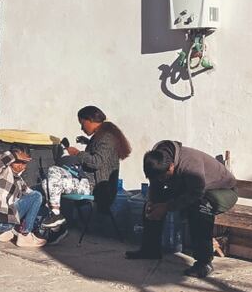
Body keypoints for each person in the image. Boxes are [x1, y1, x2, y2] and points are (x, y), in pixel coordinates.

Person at [127, 141, 238, 278]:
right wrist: (153, 203)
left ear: (172, 166)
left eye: (164, 177)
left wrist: (167, 206)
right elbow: (156, 187)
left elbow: (196, 193)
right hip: (188, 188)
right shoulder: (156, 160)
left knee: (200, 208)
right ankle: (150, 249)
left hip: (221, 191)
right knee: (151, 206)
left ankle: (204, 262)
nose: (161, 180)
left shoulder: (190, 164)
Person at [41, 105, 133, 230]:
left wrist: (77, 153)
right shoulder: (102, 135)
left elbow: (97, 162)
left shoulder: (107, 138)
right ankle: (56, 223)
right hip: (88, 182)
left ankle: (56, 216)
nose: (81, 128)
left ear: (90, 120)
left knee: (54, 171)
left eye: (82, 123)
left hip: (95, 187)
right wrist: (88, 143)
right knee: (47, 182)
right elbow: (98, 152)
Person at [0, 147, 46, 247]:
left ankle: (6, 232)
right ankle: (25, 235)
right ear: (11, 161)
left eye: (24, 163)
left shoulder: (18, 179)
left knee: (36, 195)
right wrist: (13, 155)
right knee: (37, 196)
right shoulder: (2, 171)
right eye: (18, 162)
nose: (21, 166)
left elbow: (29, 194)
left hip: (0, 221)